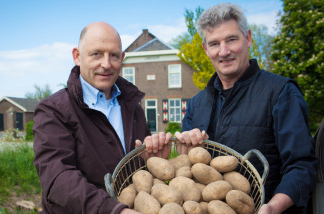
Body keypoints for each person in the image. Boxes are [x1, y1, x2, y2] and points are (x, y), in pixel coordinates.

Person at [175, 3, 318, 214]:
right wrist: (184, 149)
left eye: (231, 39)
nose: (224, 51)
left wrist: (273, 207)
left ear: (248, 38)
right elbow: (187, 171)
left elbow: (302, 166)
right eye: (214, 43)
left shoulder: (281, 92)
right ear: (206, 49)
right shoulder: (197, 104)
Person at [32, 21, 171, 214]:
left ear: (122, 58)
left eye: (113, 55)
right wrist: (114, 210)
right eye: (96, 54)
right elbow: (57, 178)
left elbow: (138, 174)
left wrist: (150, 160)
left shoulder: (133, 108)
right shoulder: (53, 110)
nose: (106, 64)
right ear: (77, 56)